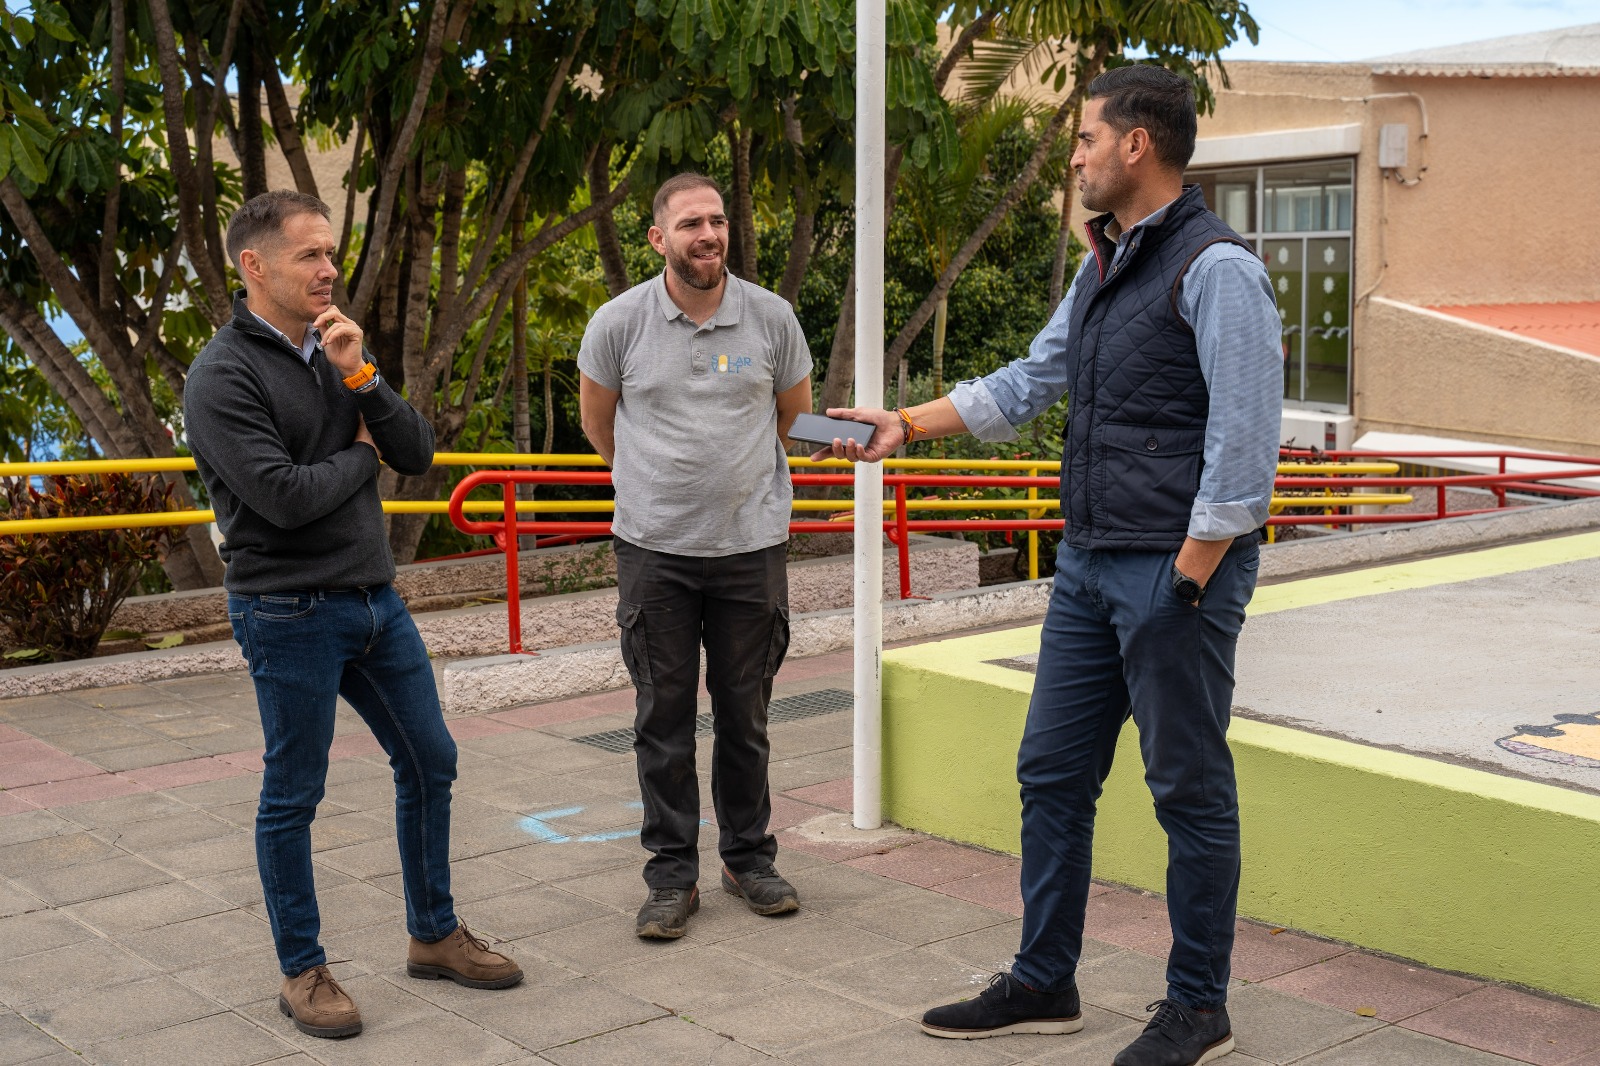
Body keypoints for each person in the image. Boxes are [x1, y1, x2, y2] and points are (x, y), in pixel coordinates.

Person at [816, 66, 1283, 1066]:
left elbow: (1245, 452)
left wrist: (1189, 577)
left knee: (1187, 789)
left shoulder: (1217, 269)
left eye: (1084, 138)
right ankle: (1044, 978)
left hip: (1172, 574)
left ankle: (1198, 1005)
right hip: (1088, 566)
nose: (1074, 157)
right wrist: (906, 424)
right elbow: (1032, 379)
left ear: (1136, 145)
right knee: (1052, 772)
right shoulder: (1103, 264)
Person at [184, 190, 522, 1040]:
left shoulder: (337, 348)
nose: (329, 268)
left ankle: (433, 933)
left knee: (431, 760)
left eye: (330, 252)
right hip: (286, 610)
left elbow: (417, 452)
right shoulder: (221, 375)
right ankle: (302, 970)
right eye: (309, 254)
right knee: (294, 793)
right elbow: (283, 499)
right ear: (254, 266)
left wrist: (362, 376)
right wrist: (362, 459)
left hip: (375, 601)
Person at [578, 173, 814, 939]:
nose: (708, 234)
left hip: (752, 550)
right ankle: (671, 876)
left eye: (716, 220)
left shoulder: (772, 318)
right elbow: (599, 425)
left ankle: (748, 860)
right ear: (659, 239)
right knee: (663, 720)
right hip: (655, 554)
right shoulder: (618, 323)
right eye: (690, 224)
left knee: (746, 716)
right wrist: (661, 489)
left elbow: (794, 419)